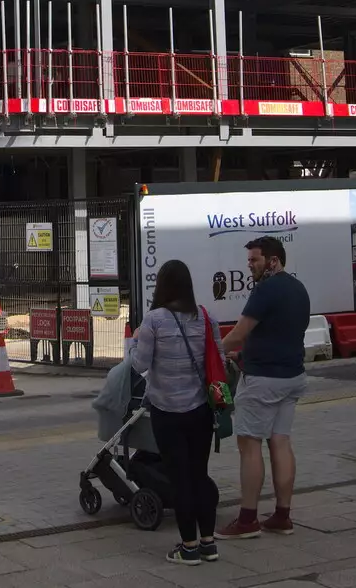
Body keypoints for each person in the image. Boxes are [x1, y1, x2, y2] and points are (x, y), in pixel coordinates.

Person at [127, 259, 222, 566]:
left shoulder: (154, 320)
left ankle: (189, 546)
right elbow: (218, 359)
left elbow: (138, 364)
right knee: (199, 476)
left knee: (180, 479)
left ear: (163, 286)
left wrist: (134, 340)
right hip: (201, 411)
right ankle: (209, 543)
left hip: (167, 413)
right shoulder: (205, 317)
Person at [217, 235, 309, 539]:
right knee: (280, 442)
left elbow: (240, 332)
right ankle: (282, 515)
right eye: (249, 261)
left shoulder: (266, 289)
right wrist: (244, 355)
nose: (250, 266)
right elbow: (282, 335)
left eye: (255, 260)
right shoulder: (299, 289)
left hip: (262, 381)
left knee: (249, 445)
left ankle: (247, 520)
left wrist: (212, 349)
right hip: (292, 377)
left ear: (273, 260)